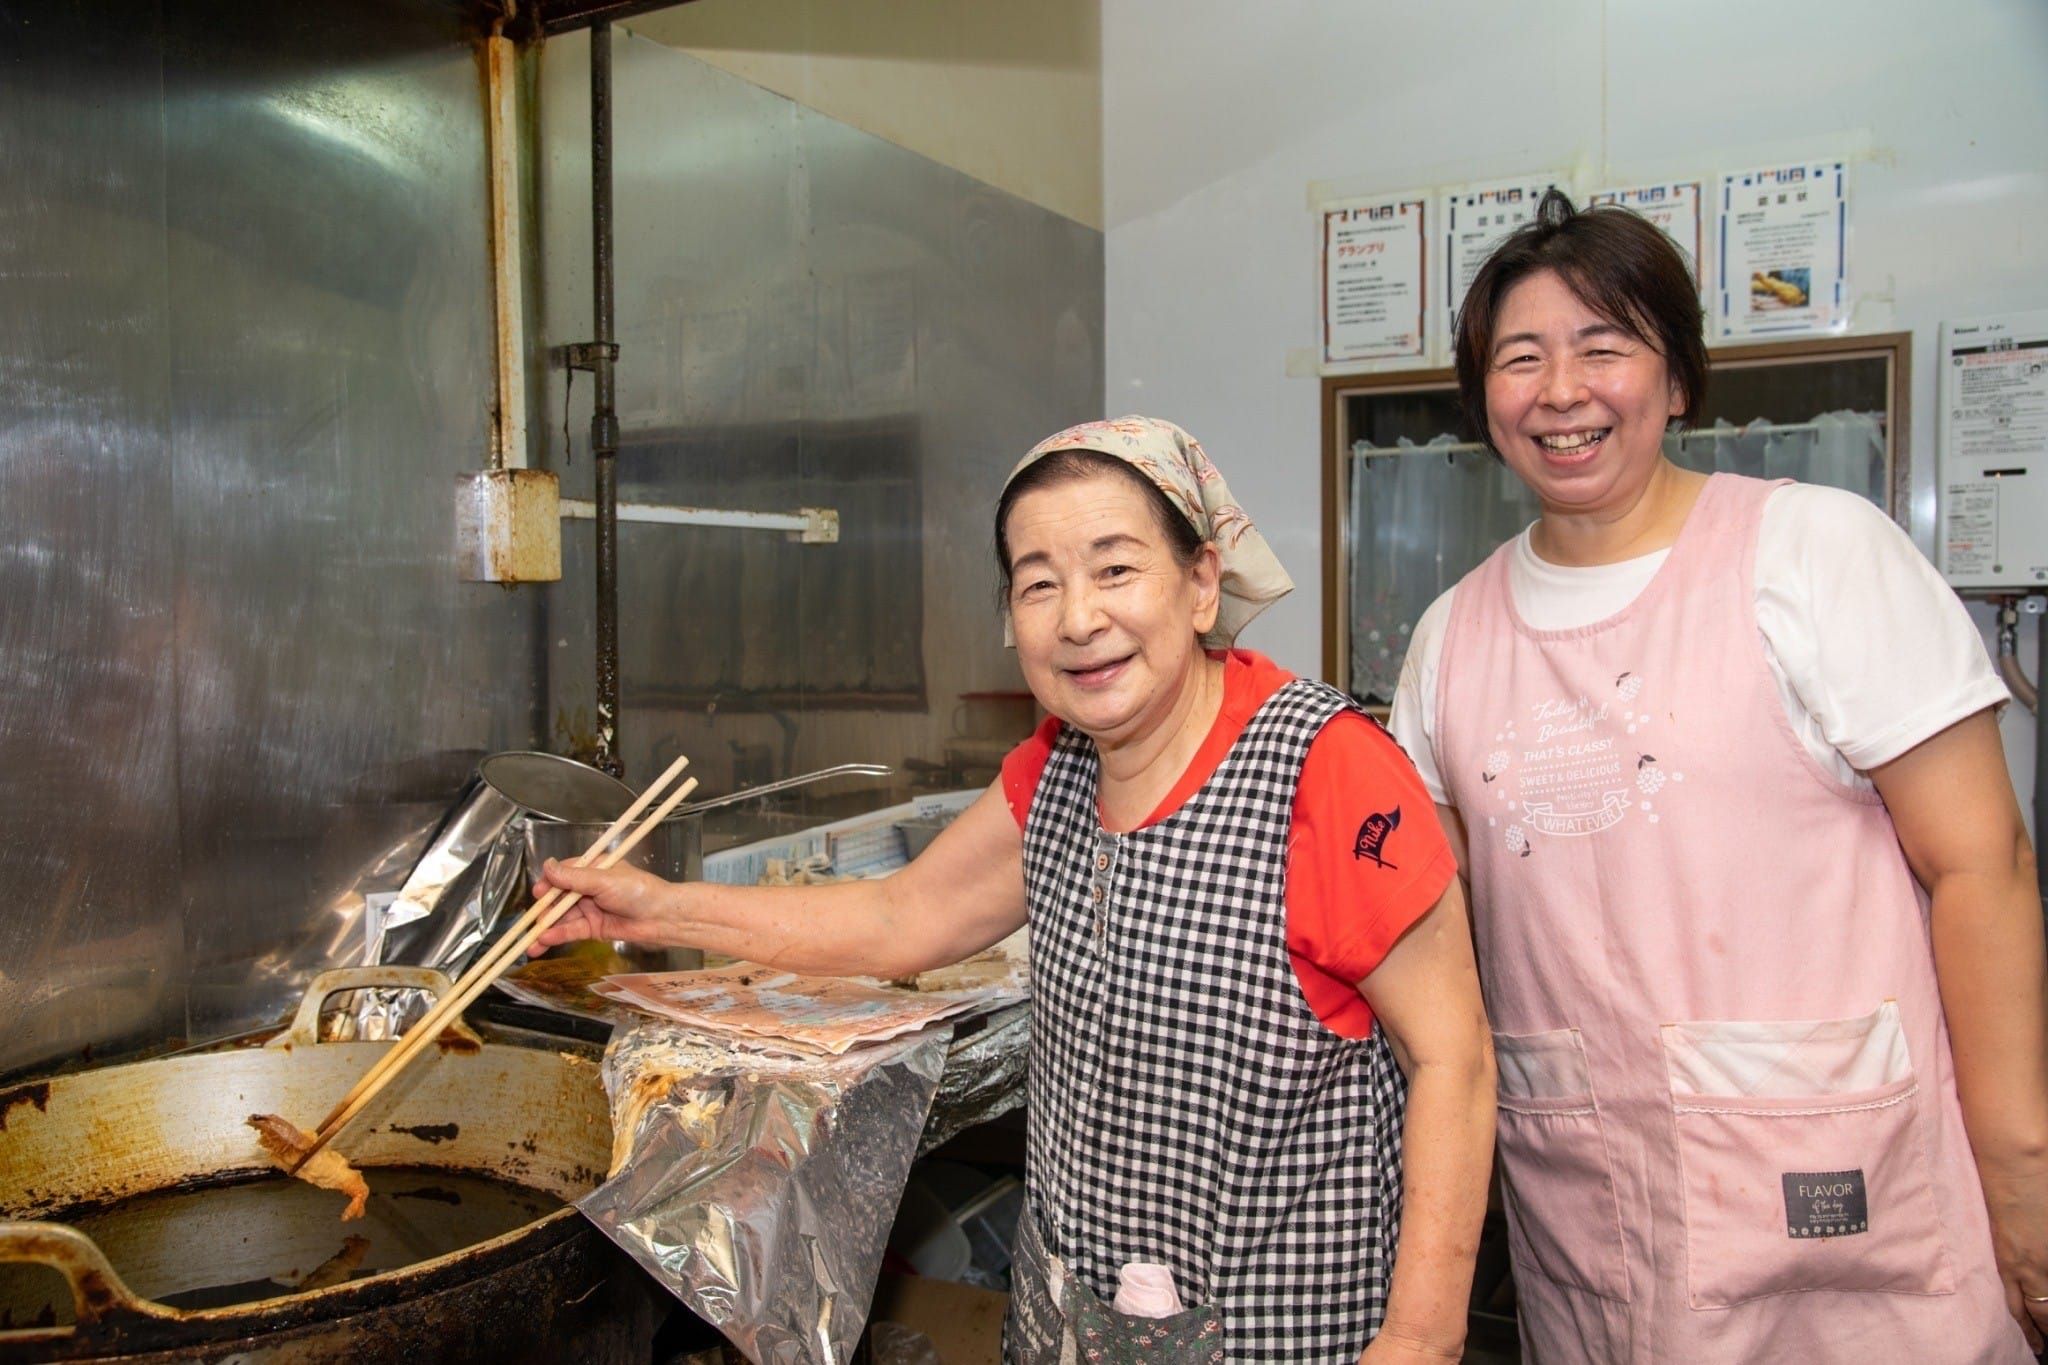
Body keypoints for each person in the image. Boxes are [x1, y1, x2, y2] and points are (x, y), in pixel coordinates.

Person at [534, 416, 1496, 1363]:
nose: (1078, 619)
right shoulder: (1058, 767)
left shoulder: (1325, 770)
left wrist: (1420, 1338)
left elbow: (1452, 1060)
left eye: (1115, 569)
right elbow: (901, 915)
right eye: (1040, 583)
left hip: (1281, 1331)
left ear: (1203, 581)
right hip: (1071, 1319)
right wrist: (660, 906)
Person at [1389, 190, 2048, 1363]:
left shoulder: (1810, 553)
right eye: (1519, 358)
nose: (1560, 391)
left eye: (1603, 346)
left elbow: (1980, 866)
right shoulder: (1451, 635)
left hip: (1844, 1200)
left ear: (1677, 378)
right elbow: (1430, 934)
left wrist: (2023, 1170)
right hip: (1583, 1205)